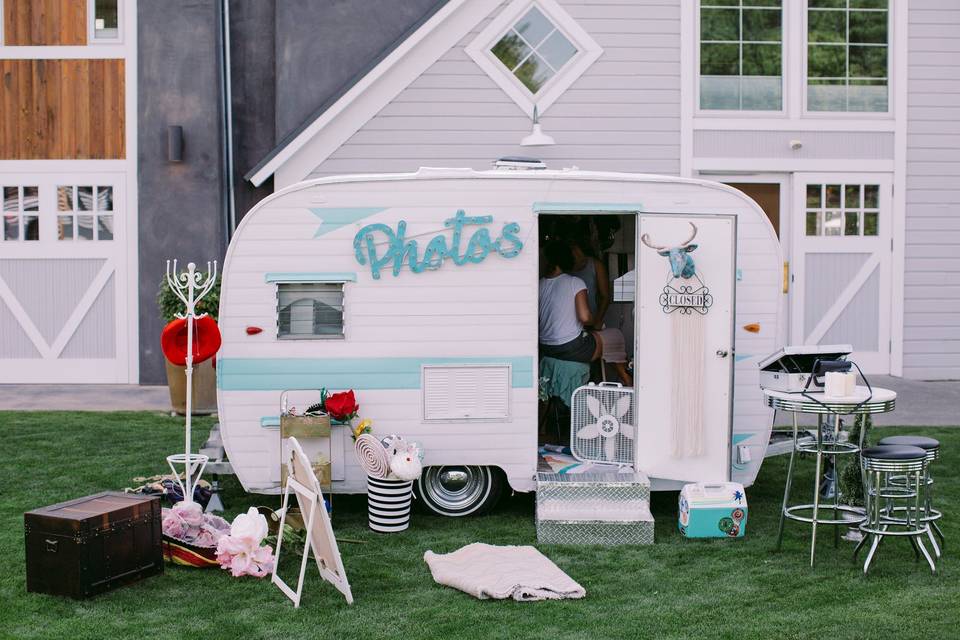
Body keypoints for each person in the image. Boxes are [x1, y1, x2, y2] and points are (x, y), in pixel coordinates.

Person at [538, 240, 603, 363]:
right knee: (613, 337)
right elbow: (585, 317)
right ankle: (623, 377)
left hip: (545, 346)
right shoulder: (575, 282)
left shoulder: (539, 284)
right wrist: (597, 322)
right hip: (570, 346)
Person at [568, 238, 610, 330]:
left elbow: (605, 296)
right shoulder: (566, 266)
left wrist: (596, 321)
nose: (573, 251)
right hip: (568, 322)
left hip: (590, 319)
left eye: (574, 247)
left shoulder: (595, 265)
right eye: (571, 248)